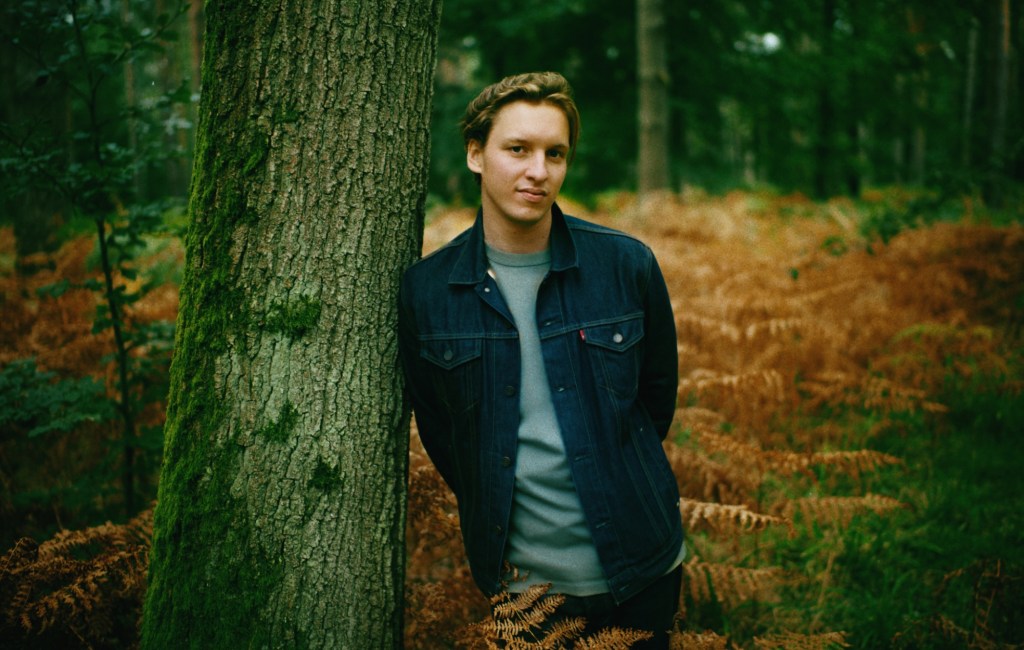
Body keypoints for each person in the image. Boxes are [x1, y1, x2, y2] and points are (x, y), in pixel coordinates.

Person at [398, 71, 684, 647]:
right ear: (477, 154)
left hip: (644, 567)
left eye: (555, 153)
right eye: (518, 150)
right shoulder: (428, 293)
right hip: (524, 590)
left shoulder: (626, 266)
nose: (538, 171)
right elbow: (444, 434)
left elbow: (654, 403)